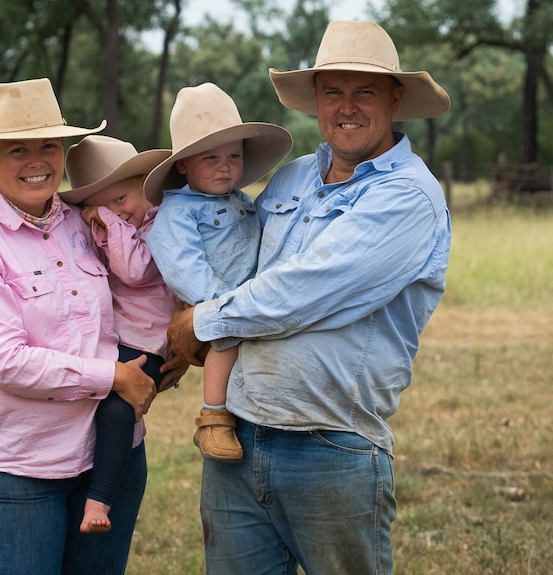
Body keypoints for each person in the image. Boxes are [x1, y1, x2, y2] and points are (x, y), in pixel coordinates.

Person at [165, 21, 452, 574]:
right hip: (237, 435)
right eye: (332, 91)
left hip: (332, 444)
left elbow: (299, 294)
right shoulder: (290, 178)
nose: (347, 107)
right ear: (316, 100)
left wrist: (202, 322)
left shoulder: (407, 197)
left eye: (364, 91)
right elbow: (236, 260)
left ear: (395, 98)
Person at [0, 78, 179, 575]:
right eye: (18, 149)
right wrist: (116, 377)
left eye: (49, 145)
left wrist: (167, 353)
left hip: (114, 456)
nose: (37, 160)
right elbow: (7, 362)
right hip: (23, 468)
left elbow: (134, 294)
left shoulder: (85, 221)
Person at [144, 82, 292, 462]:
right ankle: (213, 416)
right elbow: (181, 262)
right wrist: (215, 302)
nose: (226, 166)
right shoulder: (178, 211)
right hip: (220, 299)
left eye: (233, 155)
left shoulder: (240, 199)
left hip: (251, 293)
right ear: (183, 165)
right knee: (224, 343)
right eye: (210, 158)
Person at [61, 135, 182, 533]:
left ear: (147, 188)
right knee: (100, 406)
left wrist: (109, 219)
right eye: (104, 204)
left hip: (144, 343)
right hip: (121, 339)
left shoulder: (159, 225)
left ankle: (100, 500)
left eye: (122, 199)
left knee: (118, 410)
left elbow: (136, 271)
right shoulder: (108, 229)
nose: (118, 211)